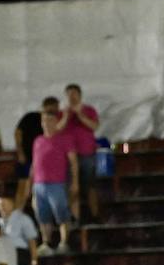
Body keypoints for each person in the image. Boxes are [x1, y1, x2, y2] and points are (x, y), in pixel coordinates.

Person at [31, 107, 78, 253]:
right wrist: (30, 183)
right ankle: (46, 242)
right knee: (42, 215)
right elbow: (34, 163)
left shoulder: (64, 139)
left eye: (50, 120)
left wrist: (75, 181)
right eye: (44, 121)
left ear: (57, 122)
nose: (47, 123)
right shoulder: (38, 141)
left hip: (57, 183)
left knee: (61, 213)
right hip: (39, 184)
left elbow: (73, 161)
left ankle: (64, 242)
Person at [58, 85, 101, 226]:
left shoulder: (89, 110)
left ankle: (94, 215)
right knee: (72, 188)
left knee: (90, 186)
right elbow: (57, 130)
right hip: (69, 156)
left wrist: (80, 115)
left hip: (87, 153)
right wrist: (66, 116)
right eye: (69, 94)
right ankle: (74, 217)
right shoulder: (63, 113)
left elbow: (94, 126)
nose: (72, 97)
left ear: (80, 95)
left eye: (74, 94)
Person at [13, 96, 53, 211]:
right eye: (48, 110)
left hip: (41, 163)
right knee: (23, 188)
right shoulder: (30, 117)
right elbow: (17, 133)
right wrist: (20, 152)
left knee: (38, 191)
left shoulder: (53, 122)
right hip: (26, 158)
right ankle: (16, 214)